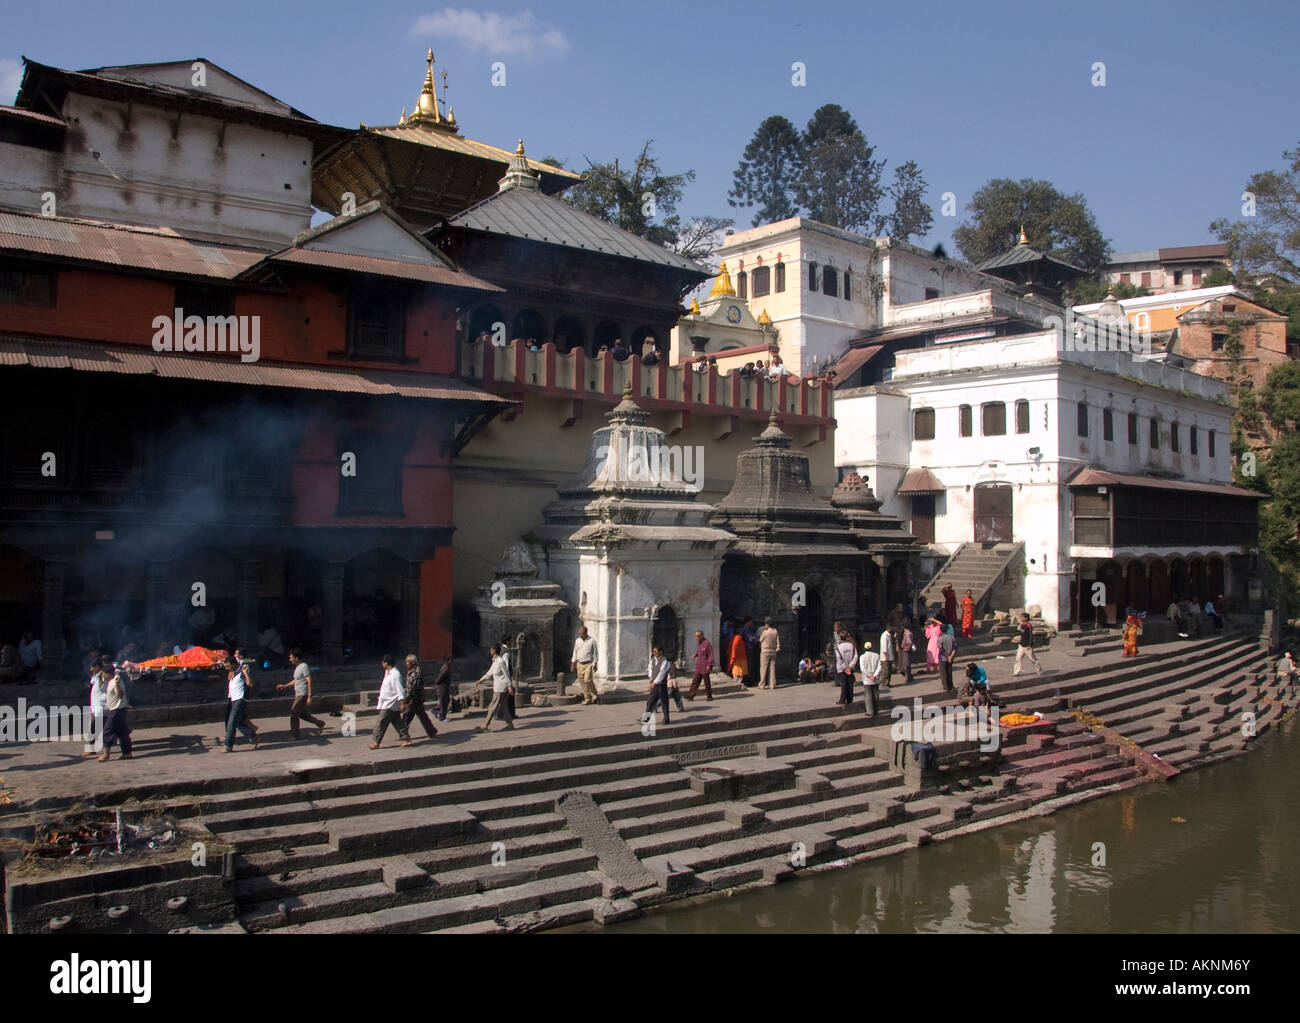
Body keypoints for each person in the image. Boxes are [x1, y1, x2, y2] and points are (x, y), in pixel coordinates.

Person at [278, 649, 326, 740]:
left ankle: (295, 735)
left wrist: (309, 696)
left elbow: (309, 681)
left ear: (296, 658)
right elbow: (296, 681)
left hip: (302, 694)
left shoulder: (304, 666)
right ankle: (320, 723)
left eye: (291, 657)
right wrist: (285, 686)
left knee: (294, 713)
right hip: (298, 693)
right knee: (302, 714)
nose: (290, 659)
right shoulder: (297, 668)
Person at [371, 654, 413, 748]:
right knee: (397, 721)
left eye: (383, 662)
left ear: (386, 663)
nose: (382, 664)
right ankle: (406, 739)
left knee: (381, 722)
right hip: (388, 702)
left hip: (391, 703)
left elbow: (400, 689)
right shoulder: (388, 673)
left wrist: (402, 702)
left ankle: (376, 742)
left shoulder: (395, 675)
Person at [218, 657, 257, 754]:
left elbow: (250, 684)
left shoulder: (241, 672)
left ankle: (228, 746)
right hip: (233, 700)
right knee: (238, 723)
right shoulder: (233, 673)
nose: (227, 668)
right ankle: (253, 737)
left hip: (240, 700)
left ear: (234, 664)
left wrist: (245, 673)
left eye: (228, 666)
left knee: (231, 724)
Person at [98, 660, 133, 761]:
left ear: (108, 674)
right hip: (117, 710)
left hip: (116, 710)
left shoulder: (116, 681)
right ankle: (127, 752)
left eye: (104, 673)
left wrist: (117, 686)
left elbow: (120, 695)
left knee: (107, 731)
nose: (102, 675)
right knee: (122, 732)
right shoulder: (111, 681)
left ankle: (106, 754)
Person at [475, 645, 514, 732]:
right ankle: (510, 723)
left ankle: (486, 724)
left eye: (491, 649)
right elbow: (489, 673)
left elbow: (507, 674)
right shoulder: (495, 661)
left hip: (500, 688)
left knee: (493, 706)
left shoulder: (500, 662)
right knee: (503, 706)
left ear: (494, 650)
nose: (490, 651)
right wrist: (480, 680)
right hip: (498, 687)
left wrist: (510, 687)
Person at [401, 654, 439, 739]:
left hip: (414, 699)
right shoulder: (412, 670)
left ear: (412, 662)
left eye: (407, 662)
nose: (406, 663)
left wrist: (406, 699)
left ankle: (403, 734)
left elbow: (413, 687)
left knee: (409, 716)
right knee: (413, 716)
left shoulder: (416, 672)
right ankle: (431, 731)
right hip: (414, 699)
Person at [643, 645, 673, 726]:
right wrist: (650, 677)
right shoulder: (653, 660)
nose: (654, 653)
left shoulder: (665, 661)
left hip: (661, 685)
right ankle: (646, 719)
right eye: (653, 652)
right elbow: (650, 668)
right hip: (654, 685)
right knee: (650, 701)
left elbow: (662, 673)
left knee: (664, 702)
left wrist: (655, 682)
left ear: (660, 652)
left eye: (655, 652)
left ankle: (666, 718)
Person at [569, 626, 599, 705]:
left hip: (588, 663)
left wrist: (595, 663)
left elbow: (595, 653)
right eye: (579, 633)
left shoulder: (592, 641)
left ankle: (594, 693)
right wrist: (573, 663)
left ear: (586, 633)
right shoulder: (577, 641)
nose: (580, 635)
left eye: (582, 633)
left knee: (587, 680)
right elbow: (575, 652)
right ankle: (588, 698)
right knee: (582, 681)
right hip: (579, 663)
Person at [686, 630, 715, 701]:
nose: (696, 638)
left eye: (697, 636)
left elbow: (710, 655)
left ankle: (709, 696)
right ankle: (690, 695)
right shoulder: (699, 643)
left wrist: (709, 665)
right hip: (699, 666)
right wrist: (695, 655)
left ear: (702, 636)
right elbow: (699, 651)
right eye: (695, 636)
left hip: (705, 666)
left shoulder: (707, 643)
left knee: (706, 682)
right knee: (695, 681)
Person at [858, 640, 882, 716]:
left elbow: (863, 669)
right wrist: (874, 675)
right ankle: (876, 710)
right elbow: (879, 667)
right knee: (876, 694)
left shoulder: (862, 657)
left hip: (867, 679)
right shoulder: (877, 655)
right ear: (871, 647)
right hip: (875, 679)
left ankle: (870, 711)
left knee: (868, 695)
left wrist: (869, 676)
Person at [834, 631, 857, 708]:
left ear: (840, 638)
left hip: (841, 669)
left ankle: (842, 699)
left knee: (844, 684)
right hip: (851, 668)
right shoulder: (852, 646)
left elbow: (839, 659)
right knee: (850, 684)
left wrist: (845, 668)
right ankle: (850, 699)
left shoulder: (838, 647)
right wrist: (850, 667)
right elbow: (855, 657)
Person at [758, 618, 780, 690]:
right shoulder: (775, 631)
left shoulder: (765, 632)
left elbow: (760, 640)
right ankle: (772, 684)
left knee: (764, 668)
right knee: (772, 668)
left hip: (765, 652)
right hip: (773, 652)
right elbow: (778, 641)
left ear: (767, 624)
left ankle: (762, 684)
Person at [432, 652, 453, 721]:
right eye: (450, 660)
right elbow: (439, 678)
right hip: (442, 688)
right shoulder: (445, 669)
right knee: (443, 703)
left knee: (445, 701)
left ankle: (434, 710)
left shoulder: (445, 667)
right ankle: (442, 717)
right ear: (448, 661)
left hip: (444, 688)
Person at [937, 624, 956, 692]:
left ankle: (946, 686)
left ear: (941, 630)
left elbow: (941, 650)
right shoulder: (952, 637)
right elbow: (954, 648)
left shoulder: (940, 638)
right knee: (949, 672)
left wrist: (947, 656)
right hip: (951, 657)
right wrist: (951, 656)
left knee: (943, 672)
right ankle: (951, 685)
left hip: (943, 658)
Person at [742, 617, 759, 686]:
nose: (751, 623)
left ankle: (749, 680)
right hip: (748, 648)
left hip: (750, 648)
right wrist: (755, 638)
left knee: (750, 664)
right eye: (751, 622)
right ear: (748, 622)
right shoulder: (745, 629)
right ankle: (747, 681)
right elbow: (750, 638)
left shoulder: (749, 629)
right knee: (749, 665)